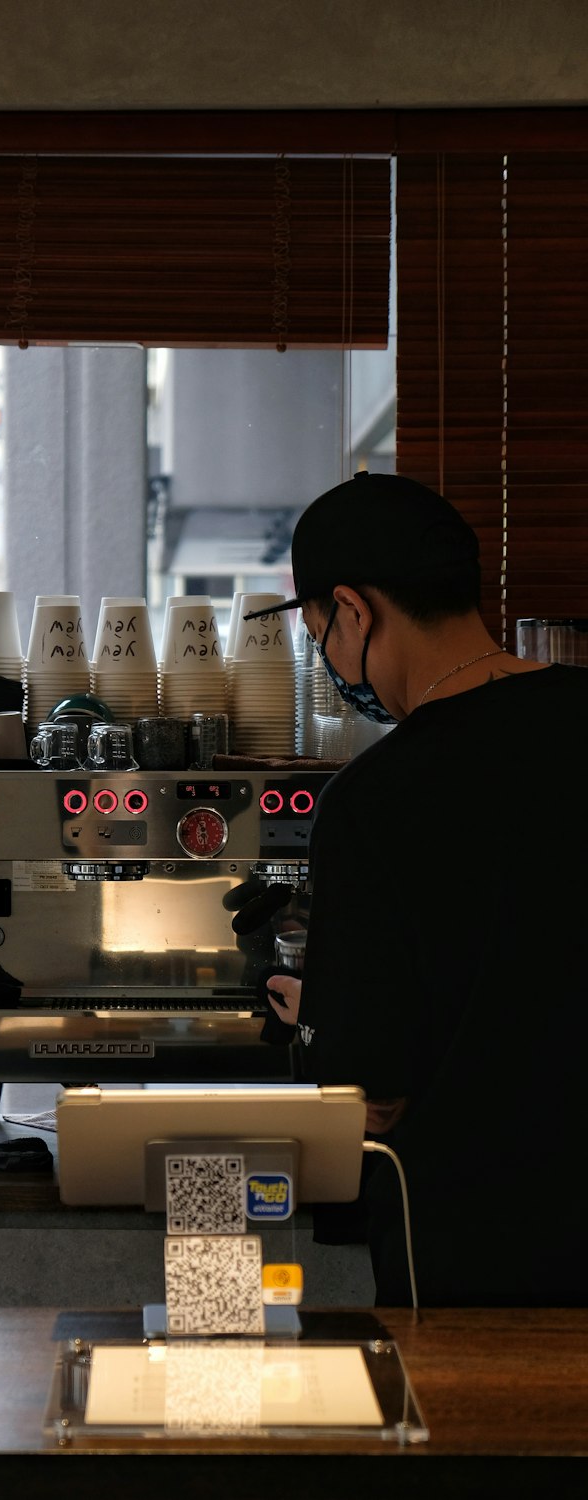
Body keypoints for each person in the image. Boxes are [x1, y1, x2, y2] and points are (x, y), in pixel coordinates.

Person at [243, 470, 588, 1307]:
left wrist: (314, 1008)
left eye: (322, 631)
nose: (329, 659)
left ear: (354, 611)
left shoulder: (378, 798)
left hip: (484, 1244)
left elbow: (375, 1094)